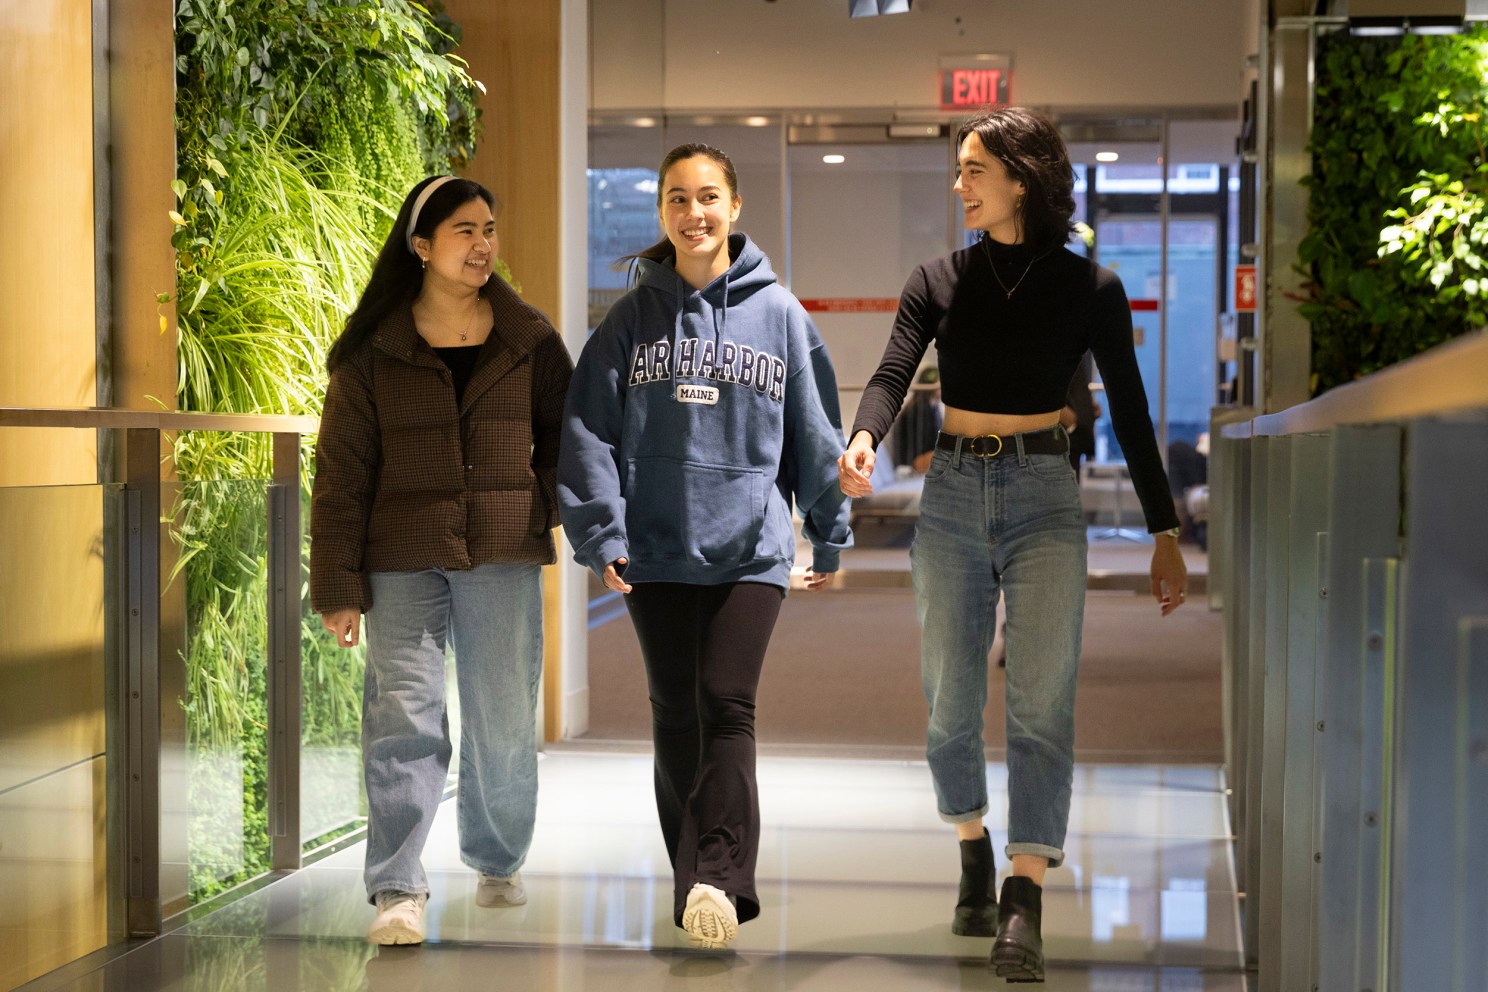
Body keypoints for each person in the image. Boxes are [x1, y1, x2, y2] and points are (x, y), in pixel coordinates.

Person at [837, 108, 1188, 983]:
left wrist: (1163, 529)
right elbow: (891, 371)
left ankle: (1023, 896)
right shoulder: (937, 278)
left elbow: (1133, 411)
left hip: (1043, 495)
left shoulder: (1089, 289)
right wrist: (866, 437)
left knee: (1040, 702)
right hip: (953, 493)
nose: (959, 185)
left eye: (973, 170)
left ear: (1021, 177)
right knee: (950, 701)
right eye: (958, 169)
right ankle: (970, 843)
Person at [558, 143, 852, 950]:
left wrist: (826, 533)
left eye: (709, 196)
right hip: (655, 546)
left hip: (749, 548)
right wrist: (600, 532)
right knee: (673, 714)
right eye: (678, 199)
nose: (695, 213)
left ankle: (721, 877)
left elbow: (814, 434)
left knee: (728, 704)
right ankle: (692, 882)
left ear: (735, 207)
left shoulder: (782, 315)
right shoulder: (628, 321)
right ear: (661, 212)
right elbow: (588, 431)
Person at [310, 175, 574, 946]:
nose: (483, 244)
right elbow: (341, 478)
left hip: (500, 552)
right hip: (402, 557)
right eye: (464, 230)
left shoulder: (529, 340)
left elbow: (568, 445)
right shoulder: (373, 352)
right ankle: (398, 884)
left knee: (501, 714)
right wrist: (338, 586)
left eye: (489, 228)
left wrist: (552, 516)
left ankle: (497, 857)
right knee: (403, 717)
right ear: (421, 246)